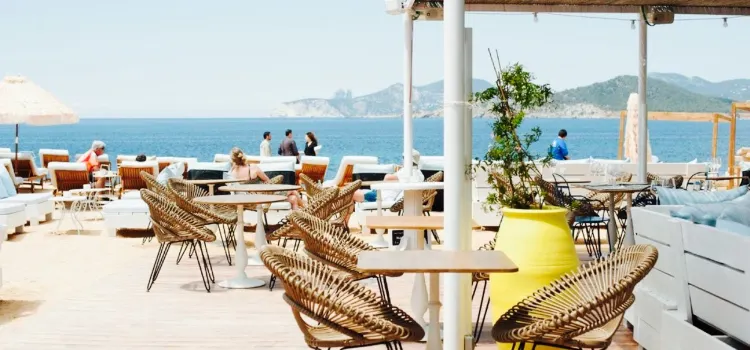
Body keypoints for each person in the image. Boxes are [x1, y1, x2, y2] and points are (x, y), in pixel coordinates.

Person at [228, 147, 304, 210]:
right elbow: (268, 181)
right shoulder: (252, 168)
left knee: (293, 198)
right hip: (266, 197)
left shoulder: (232, 173)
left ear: (233, 160)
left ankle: (297, 221)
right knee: (292, 190)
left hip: (249, 200)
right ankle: (307, 209)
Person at [353, 149, 425, 203]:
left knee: (351, 194)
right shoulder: (419, 174)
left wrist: (398, 172)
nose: (402, 160)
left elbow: (387, 178)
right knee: (358, 192)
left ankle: (347, 221)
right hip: (386, 195)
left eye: (403, 158)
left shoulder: (407, 172)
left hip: (382, 197)